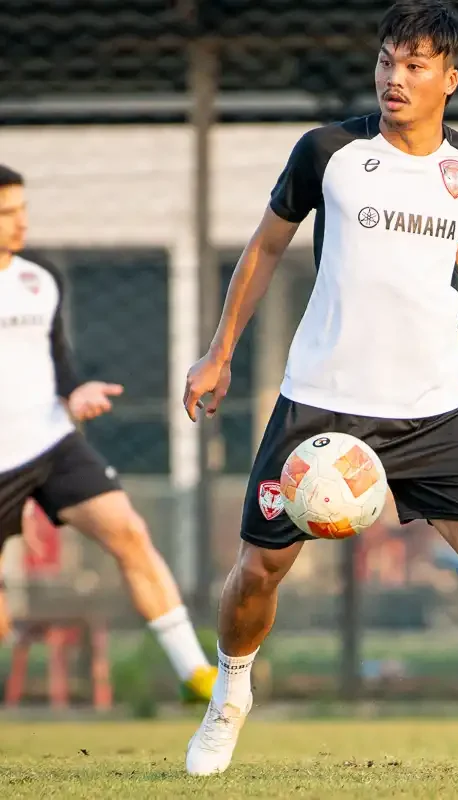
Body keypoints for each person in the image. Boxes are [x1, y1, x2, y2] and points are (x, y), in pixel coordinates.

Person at [183, 0, 458, 775]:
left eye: (414, 65)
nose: (393, 77)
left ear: (451, 77)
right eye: (386, 59)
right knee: (260, 569)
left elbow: (454, 270)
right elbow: (266, 248)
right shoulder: (328, 151)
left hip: (431, 407)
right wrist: (218, 353)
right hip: (322, 400)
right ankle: (229, 695)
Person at [0, 164, 216, 703]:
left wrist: (74, 394)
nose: (19, 224)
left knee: (129, 534)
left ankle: (196, 675)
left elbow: (55, 362)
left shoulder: (39, 277)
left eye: (22, 210)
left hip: (50, 445)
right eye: (6, 214)